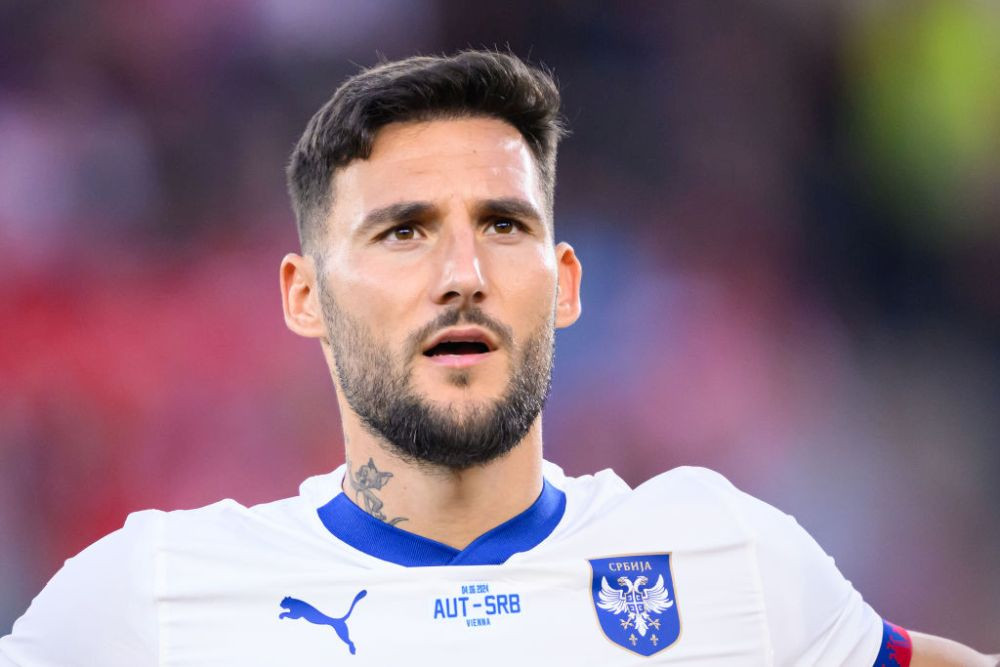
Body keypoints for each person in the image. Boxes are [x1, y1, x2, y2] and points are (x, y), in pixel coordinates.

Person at [0, 50, 995, 667]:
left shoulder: (725, 557)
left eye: (503, 225)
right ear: (305, 296)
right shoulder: (151, 597)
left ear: (563, 284)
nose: (463, 275)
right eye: (403, 232)